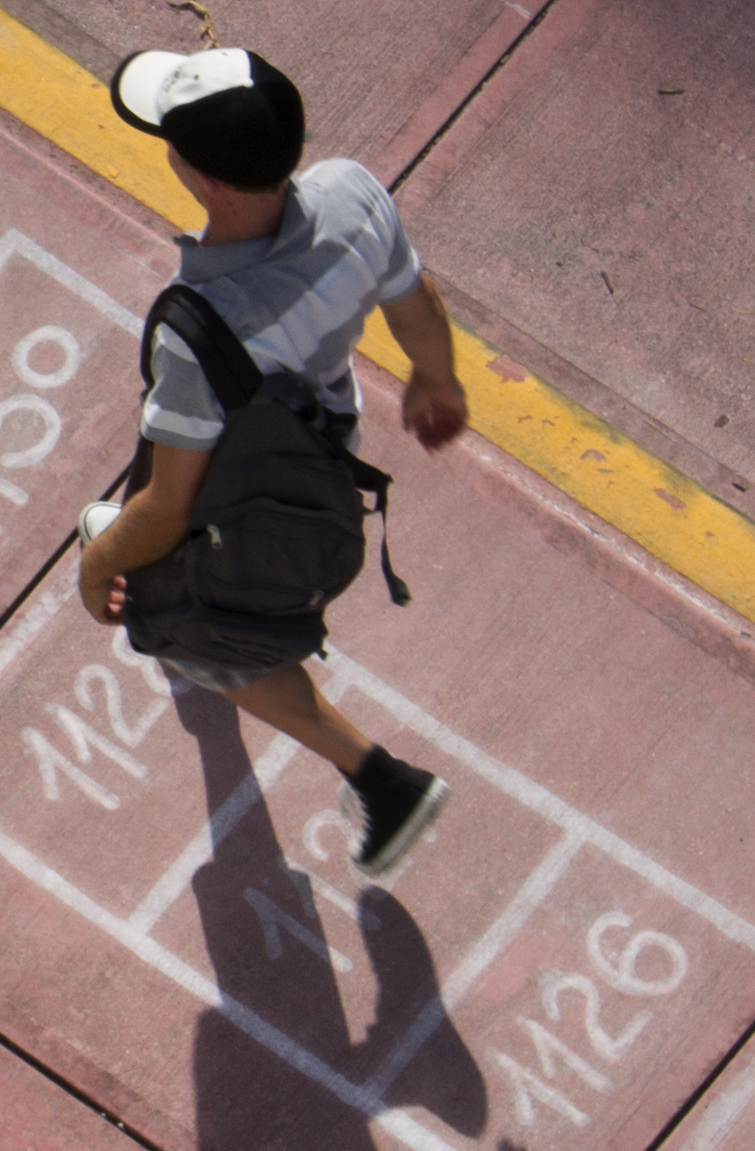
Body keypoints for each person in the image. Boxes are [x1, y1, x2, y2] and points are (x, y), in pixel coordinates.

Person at [74, 44, 471, 880]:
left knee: (188, 636)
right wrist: (436, 376)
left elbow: (167, 511)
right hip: (323, 440)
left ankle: (382, 778)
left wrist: (98, 566)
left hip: (244, 497)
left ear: (203, 177)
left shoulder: (199, 325)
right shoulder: (355, 194)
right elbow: (416, 301)